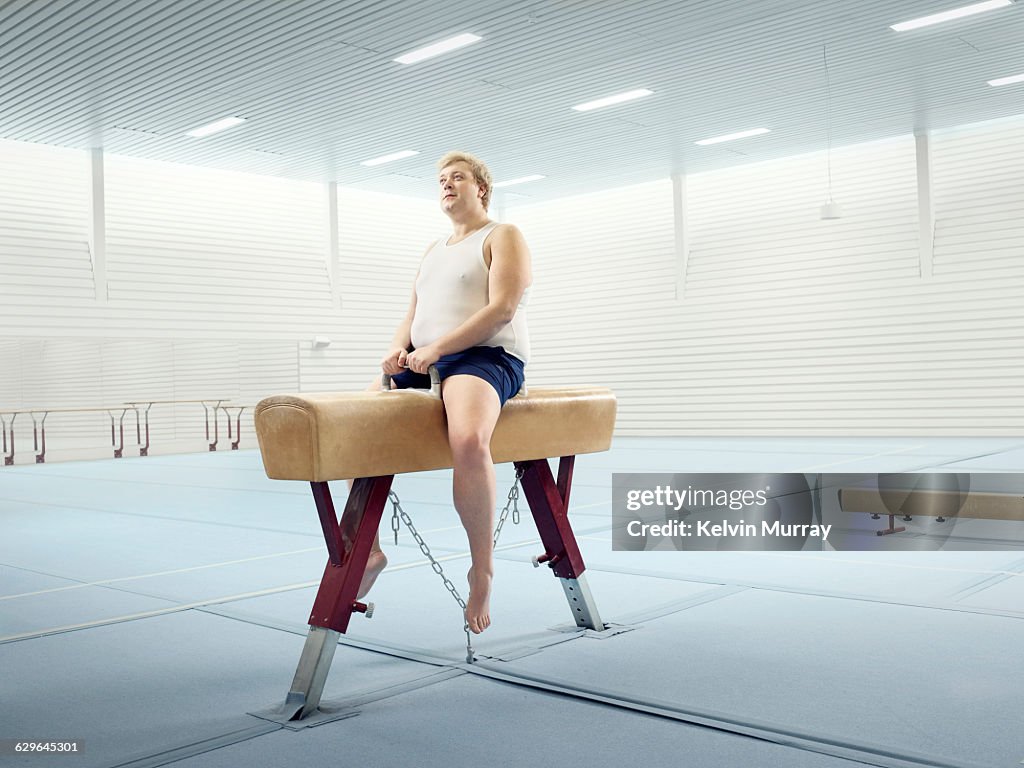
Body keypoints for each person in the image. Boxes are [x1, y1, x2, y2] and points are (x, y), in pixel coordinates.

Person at [354, 151, 532, 634]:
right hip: (424, 355)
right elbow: (410, 315)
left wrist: (436, 349)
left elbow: (502, 309)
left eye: (458, 178)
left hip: (485, 356)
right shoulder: (432, 249)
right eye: (441, 180)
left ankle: (482, 569)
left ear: (482, 190)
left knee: (470, 442)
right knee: (351, 424)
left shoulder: (502, 235)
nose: (447, 185)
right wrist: (396, 350)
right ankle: (366, 552)